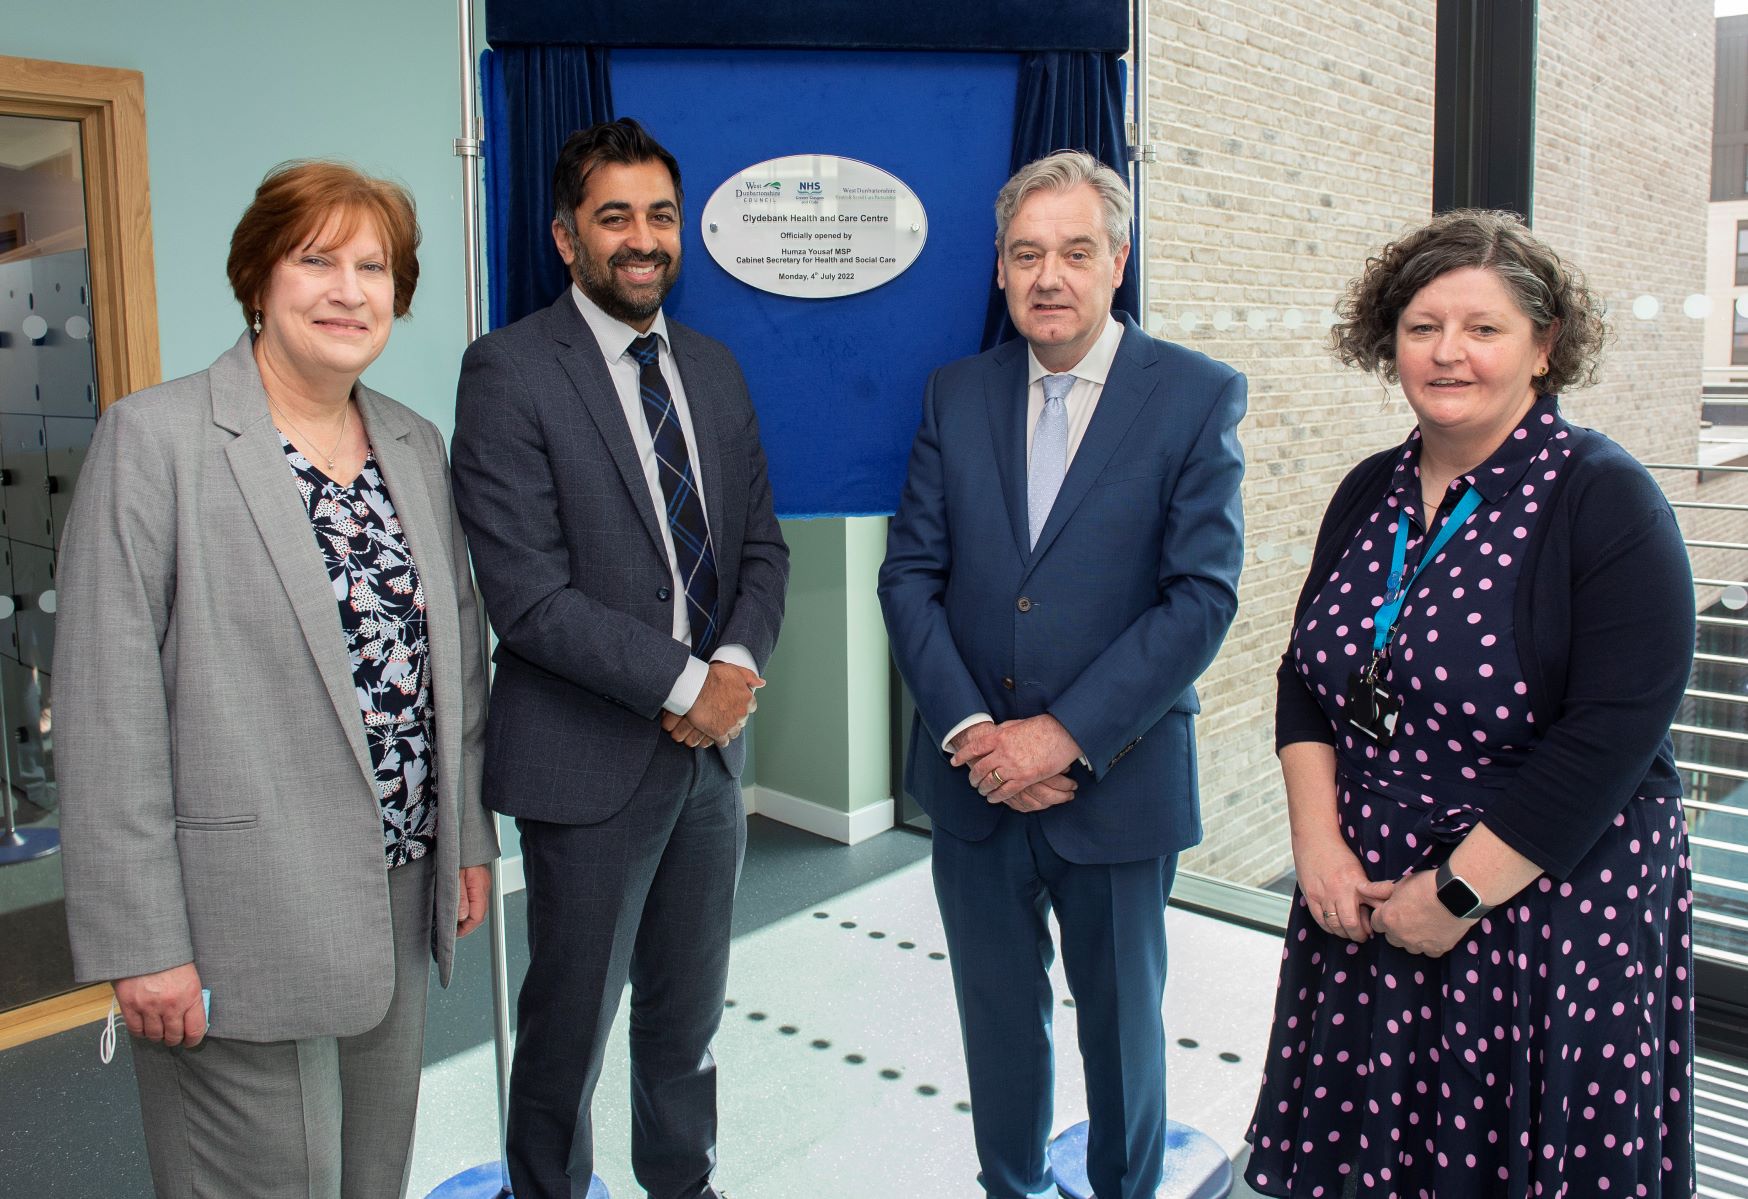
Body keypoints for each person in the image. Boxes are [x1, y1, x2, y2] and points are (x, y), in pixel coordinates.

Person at [55, 160, 498, 1198]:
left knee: (367, 1176)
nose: (349, 289)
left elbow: (457, 663)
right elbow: (104, 711)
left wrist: (464, 840)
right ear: (257, 278)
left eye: (374, 266)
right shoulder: (155, 439)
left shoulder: (410, 441)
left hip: (394, 891)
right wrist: (141, 940)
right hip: (231, 909)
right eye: (316, 260)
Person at [1243, 209, 1696, 1198]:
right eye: (1420, 325)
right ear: (1387, 340)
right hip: (1362, 906)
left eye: (1482, 328)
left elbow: (1610, 739)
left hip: (1533, 917)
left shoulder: (1604, 498)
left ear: (1543, 348)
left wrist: (1451, 893)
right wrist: (1316, 847)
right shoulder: (1368, 491)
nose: (1446, 351)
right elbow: (1304, 681)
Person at [879, 149, 1246, 1199]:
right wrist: (970, 735)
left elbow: (1198, 599)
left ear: (1115, 260)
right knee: (996, 1026)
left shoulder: (1193, 395)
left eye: (1075, 252)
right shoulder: (955, 393)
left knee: (1124, 1035)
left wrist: (1060, 735)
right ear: (998, 268)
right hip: (971, 784)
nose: (1050, 277)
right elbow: (909, 576)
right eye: (1026, 254)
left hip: (1117, 784)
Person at [450, 117, 788, 1199]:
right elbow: (529, 596)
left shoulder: (714, 366)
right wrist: (692, 686)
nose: (641, 239)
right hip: (587, 764)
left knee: (686, 1023)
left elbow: (759, 549)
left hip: (709, 769)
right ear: (564, 237)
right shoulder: (506, 371)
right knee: (567, 1036)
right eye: (613, 218)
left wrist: (731, 664)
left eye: (658, 215)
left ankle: (682, 1184)